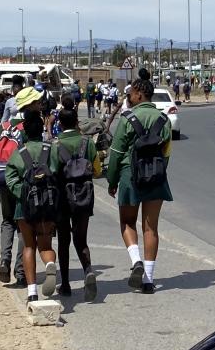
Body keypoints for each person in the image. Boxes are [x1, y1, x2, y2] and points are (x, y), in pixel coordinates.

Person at [106, 78, 172, 294]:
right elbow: (166, 155)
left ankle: (136, 261)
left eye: (130, 93)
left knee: (127, 222)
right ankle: (149, 280)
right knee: (151, 227)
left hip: (130, 176)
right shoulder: (164, 120)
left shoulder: (127, 119)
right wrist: (158, 173)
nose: (128, 97)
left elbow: (116, 154)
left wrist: (112, 181)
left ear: (139, 94)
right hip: (156, 177)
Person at [0, 86, 42, 287]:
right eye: (37, 102)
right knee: (23, 225)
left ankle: (4, 261)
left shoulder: (5, 125)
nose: (40, 104)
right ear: (30, 105)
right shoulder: (31, 126)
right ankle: (20, 272)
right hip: (22, 182)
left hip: (2, 178)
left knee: (7, 221)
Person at [5, 106, 61, 302]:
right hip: (48, 205)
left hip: (25, 207)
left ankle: (31, 292)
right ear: (41, 129)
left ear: (25, 131)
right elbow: (59, 173)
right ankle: (50, 265)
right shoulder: (51, 149)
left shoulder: (19, 152)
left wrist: (22, 192)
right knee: (45, 245)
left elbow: (10, 178)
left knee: (28, 246)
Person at [53, 107, 101, 301]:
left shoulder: (55, 145)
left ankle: (65, 285)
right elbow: (97, 170)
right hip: (84, 197)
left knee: (63, 241)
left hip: (63, 199)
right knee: (81, 240)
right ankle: (88, 270)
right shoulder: (87, 143)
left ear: (59, 124)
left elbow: (52, 172)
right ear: (76, 123)